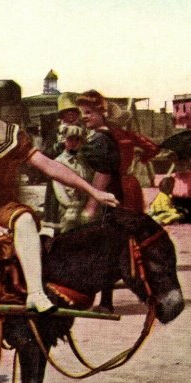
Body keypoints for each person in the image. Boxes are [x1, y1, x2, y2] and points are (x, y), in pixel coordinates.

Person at [0, 73, 118, 377]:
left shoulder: (8, 134)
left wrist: (92, 190)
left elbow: (49, 165)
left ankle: (35, 293)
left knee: (25, 217)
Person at [77, 90, 159, 312]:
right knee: (125, 240)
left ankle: (105, 300)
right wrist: (142, 158)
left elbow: (100, 170)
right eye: (81, 113)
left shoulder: (101, 138)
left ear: (102, 113)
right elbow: (152, 147)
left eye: (88, 112)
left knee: (107, 243)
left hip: (110, 187)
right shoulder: (124, 134)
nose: (84, 117)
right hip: (129, 186)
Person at [40, 92, 83, 238]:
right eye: (67, 112)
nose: (70, 116)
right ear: (62, 115)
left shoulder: (84, 130)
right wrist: (58, 146)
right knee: (56, 209)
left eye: (73, 112)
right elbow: (46, 152)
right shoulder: (55, 131)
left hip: (78, 172)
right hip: (58, 172)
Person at [51, 124, 93, 234]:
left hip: (86, 205)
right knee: (68, 235)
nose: (74, 143)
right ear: (64, 141)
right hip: (68, 206)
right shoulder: (59, 162)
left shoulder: (84, 160)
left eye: (77, 139)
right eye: (70, 139)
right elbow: (59, 190)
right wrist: (70, 205)